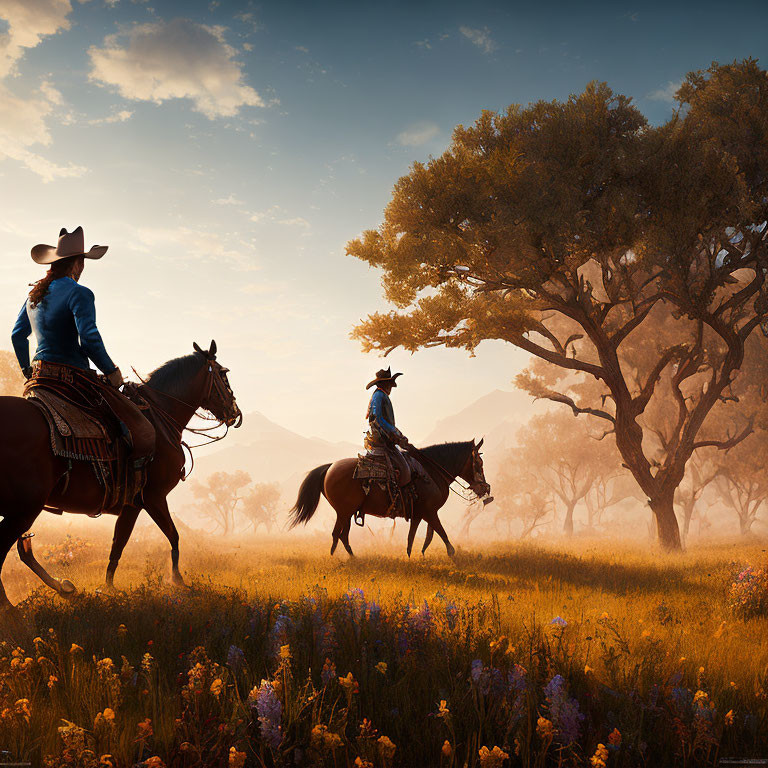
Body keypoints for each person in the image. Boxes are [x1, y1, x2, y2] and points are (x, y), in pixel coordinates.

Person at [11, 226, 155, 495]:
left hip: (41, 378)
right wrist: (111, 371)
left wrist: (27, 369)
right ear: (78, 263)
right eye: (83, 262)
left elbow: (18, 335)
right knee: (128, 424)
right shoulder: (80, 293)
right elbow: (88, 339)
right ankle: (127, 489)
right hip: (73, 378)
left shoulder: (34, 295)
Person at [364, 367, 416, 514]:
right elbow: (379, 420)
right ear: (385, 384)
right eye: (390, 385)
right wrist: (396, 433)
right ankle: (396, 501)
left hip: (384, 437)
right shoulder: (379, 396)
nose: (391, 388)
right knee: (404, 468)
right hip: (382, 439)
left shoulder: (380, 395)